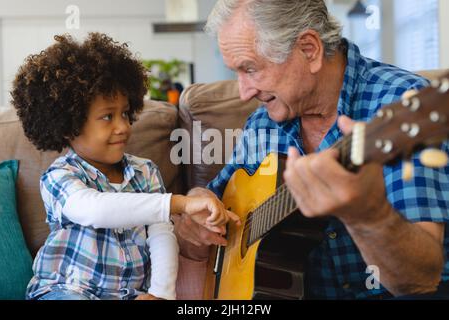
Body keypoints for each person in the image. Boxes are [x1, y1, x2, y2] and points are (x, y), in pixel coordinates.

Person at [173, 0, 449, 299]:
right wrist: (197, 205)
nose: (244, 92)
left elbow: (420, 281)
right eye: (236, 72)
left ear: (309, 49)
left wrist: (369, 215)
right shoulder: (262, 122)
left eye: (250, 69)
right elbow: (217, 197)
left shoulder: (399, 104)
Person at [11, 32, 240, 300]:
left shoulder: (146, 172)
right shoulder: (60, 175)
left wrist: (160, 294)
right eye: (107, 117)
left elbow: (162, 235)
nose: (122, 126)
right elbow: (95, 209)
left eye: (124, 113)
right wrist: (178, 203)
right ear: (69, 125)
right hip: (65, 290)